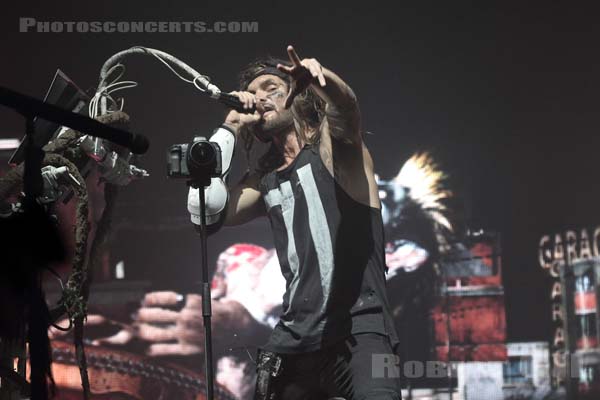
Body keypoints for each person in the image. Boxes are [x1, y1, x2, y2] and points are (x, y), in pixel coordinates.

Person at [217, 45, 401, 399]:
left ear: (297, 95)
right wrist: (231, 126)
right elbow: (217, 214)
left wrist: (321, 80)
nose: (260, 98)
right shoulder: (265, 178)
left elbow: (347, 110)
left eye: (270, 87)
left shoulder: (333, 150)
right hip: (295, 338)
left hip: (362, 330)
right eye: (253, 93)